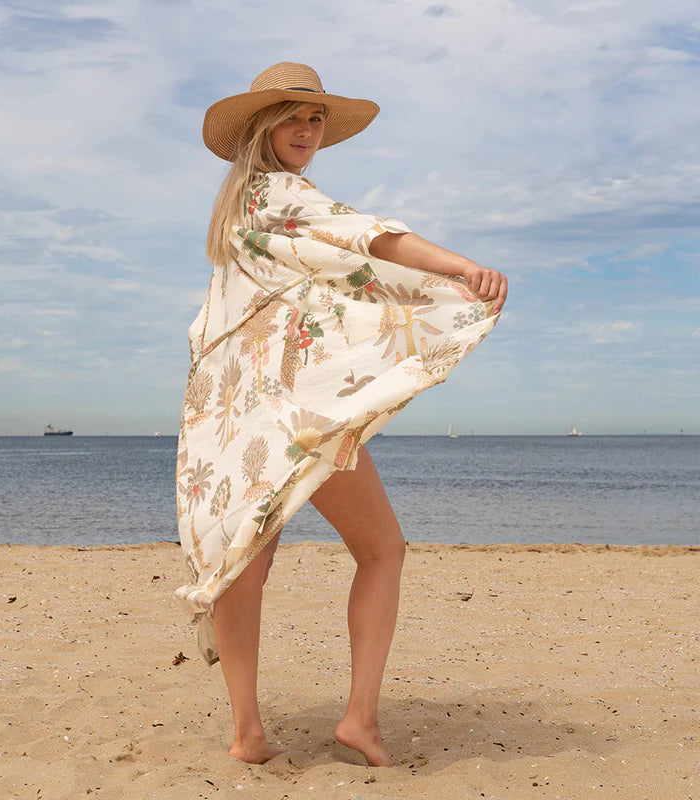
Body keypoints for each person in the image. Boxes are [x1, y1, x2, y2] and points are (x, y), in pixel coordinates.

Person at [174, 62, 508, 768]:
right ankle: (358, 719)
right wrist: (459, 268)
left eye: (316, 118)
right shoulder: (281, 192)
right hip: (296, 412)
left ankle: (248, 733)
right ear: (263, 128)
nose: (306, 130)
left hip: (242, 414)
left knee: (245, 564)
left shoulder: (239, 212)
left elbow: (227, 327)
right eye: (292, 117)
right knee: (383, 550)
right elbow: (370, 239)